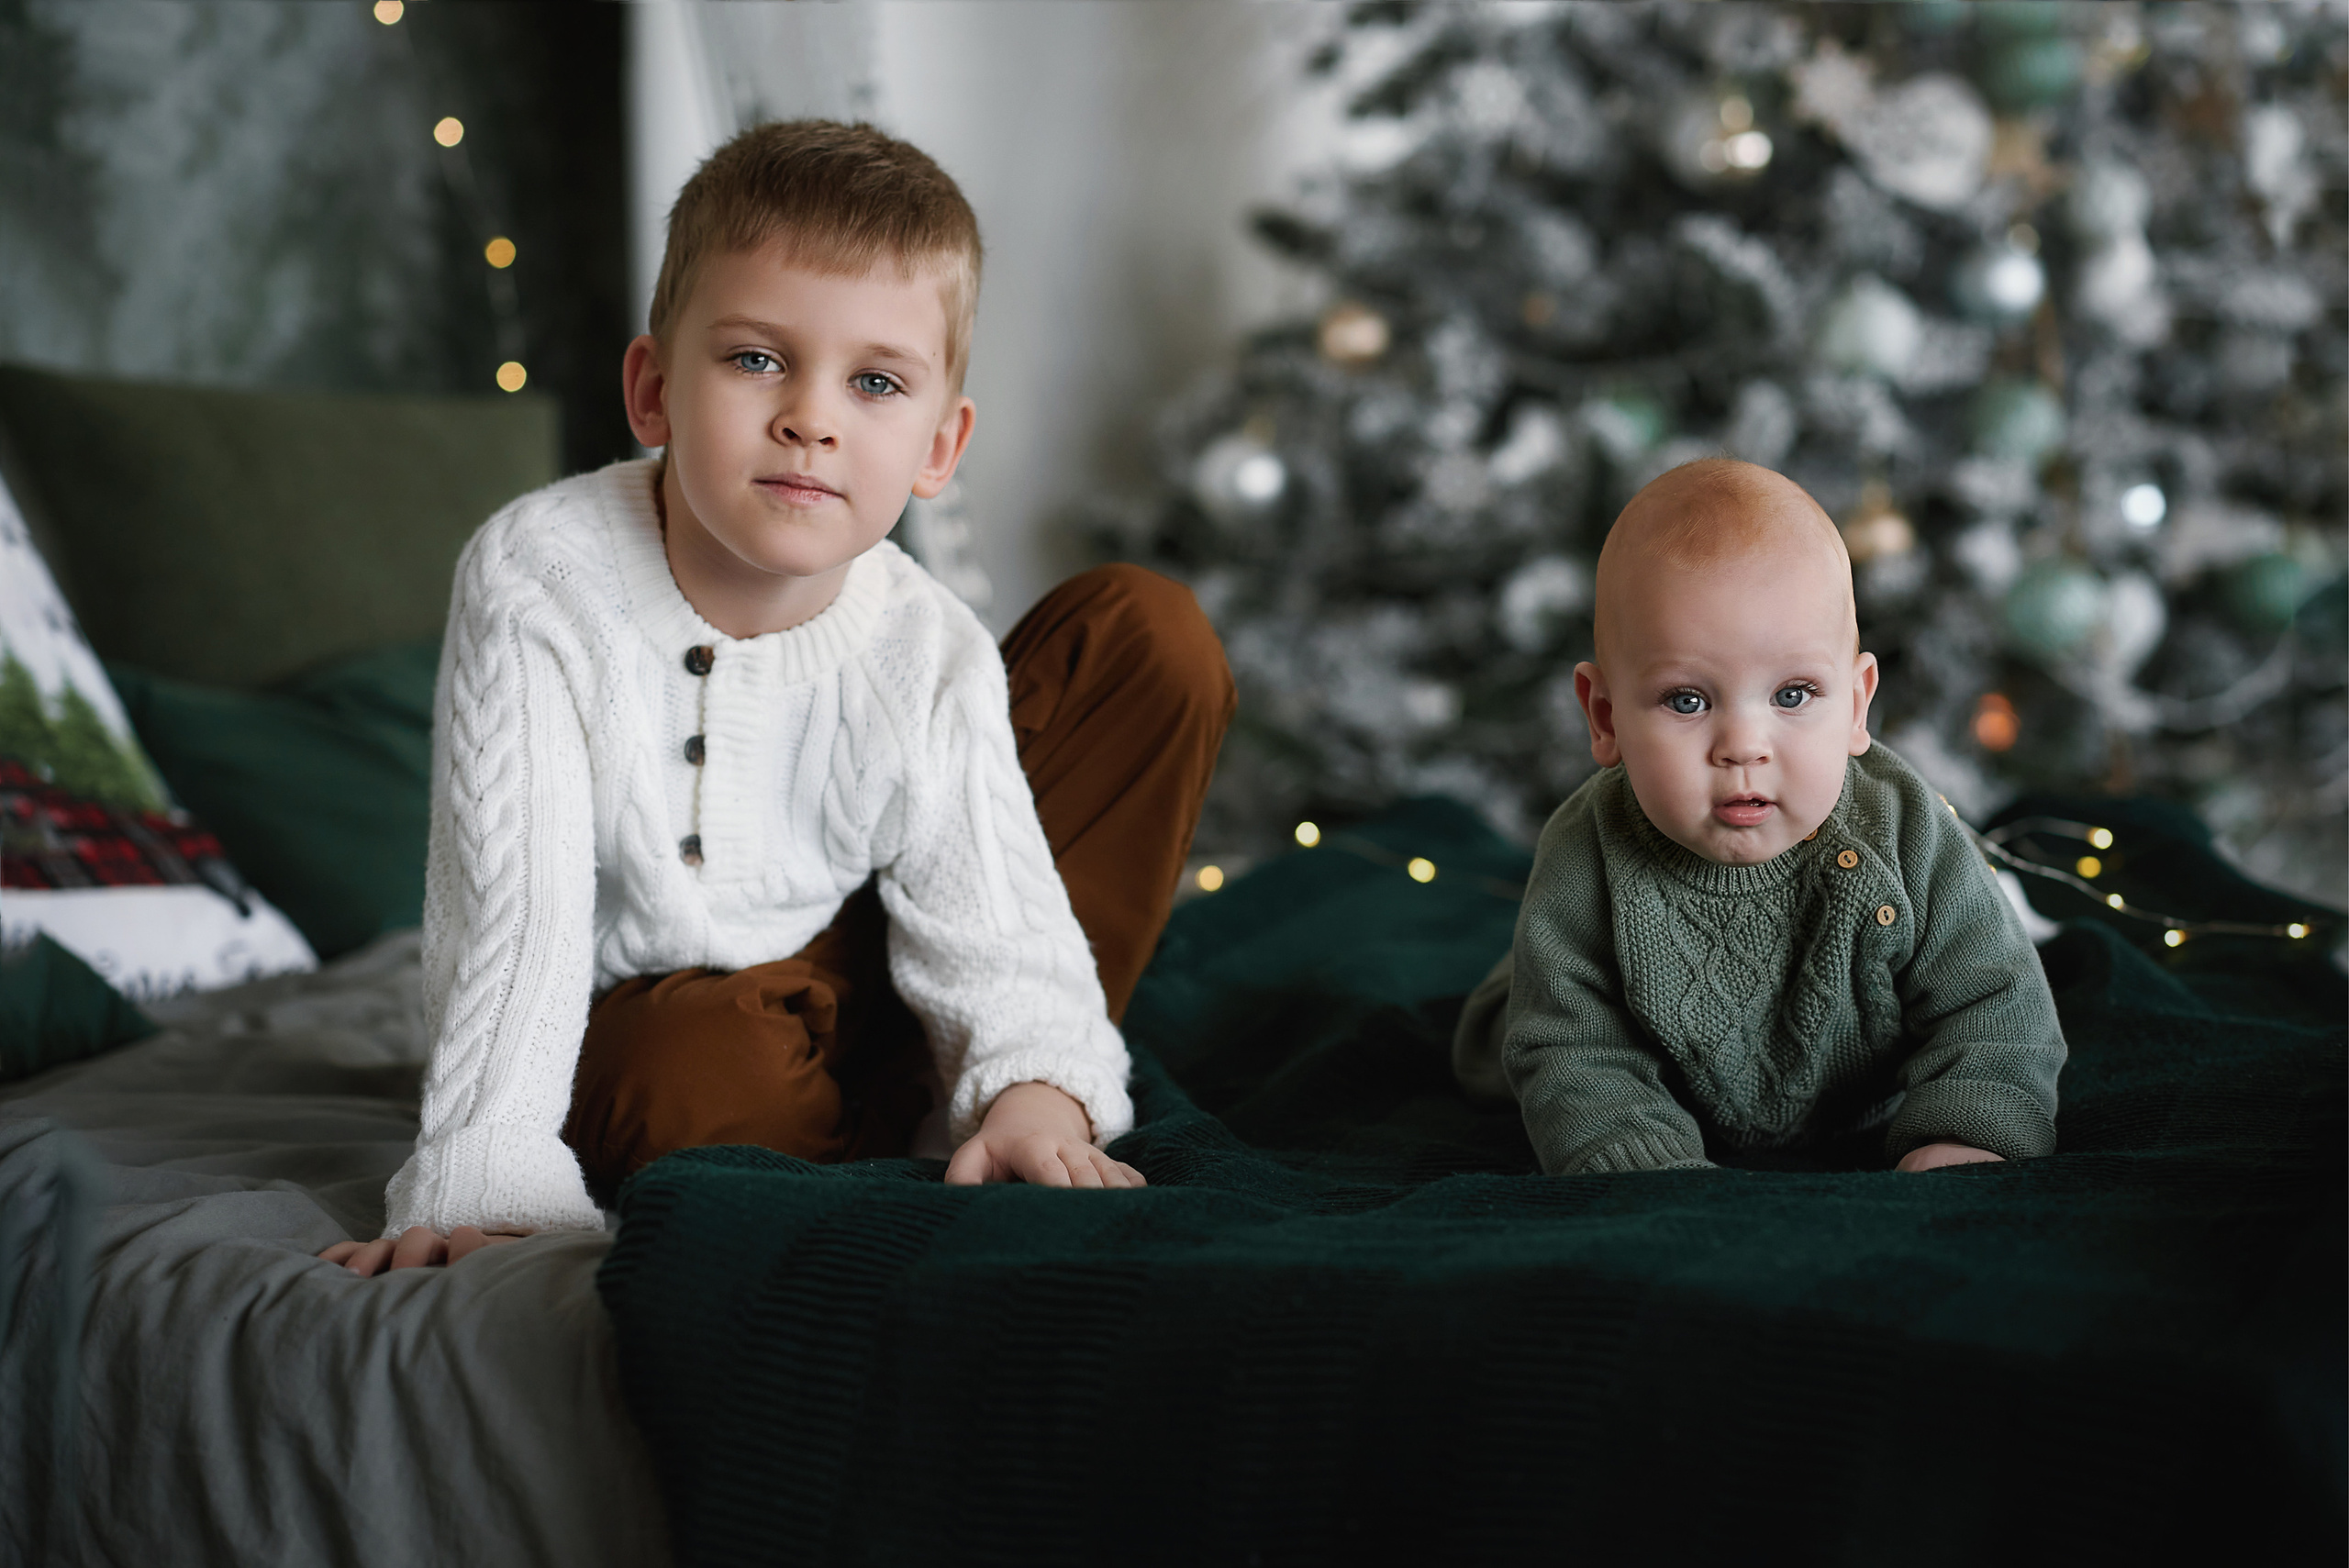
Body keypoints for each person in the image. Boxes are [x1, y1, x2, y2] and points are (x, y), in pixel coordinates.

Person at [327, 120, 1231, 1275]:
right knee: (678, 1070)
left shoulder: (925, 642)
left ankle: (990, 1115)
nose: (813, 415)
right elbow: (516, 916)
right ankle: (860, 1149)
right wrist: (484, 1164)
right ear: (653, 389)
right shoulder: (540, 575)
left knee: (1144, 629)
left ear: (937, 447)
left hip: (875, 969)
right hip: (664, 1012)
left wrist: (1041, 1090)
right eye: (756, 359)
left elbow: (997, 912)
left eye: (875, 382)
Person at [1452, 458, 2063, 1175]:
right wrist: (1635, 1157)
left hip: (1858, 1096)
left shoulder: (1904, 831)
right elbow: (1576, 1051)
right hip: (1645, 1066)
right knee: (1515, 1032)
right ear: (1606, 716)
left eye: (1794, 694)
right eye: (1687, 700)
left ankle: (2012, 905)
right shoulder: (1588, 855)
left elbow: (1997, 1003)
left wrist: (1969, 1128)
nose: (1744, 746)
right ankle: (1509, 982)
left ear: (1858, 704)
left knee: (1985, 941)